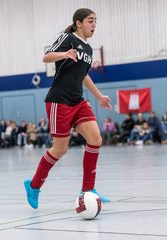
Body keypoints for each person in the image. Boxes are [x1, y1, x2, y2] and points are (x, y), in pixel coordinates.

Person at [24, 8, 112, 209]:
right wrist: (64, 53)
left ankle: (88, 190)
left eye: (96, 21)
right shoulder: (68, 38)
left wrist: (99, 96)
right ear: (78, 23)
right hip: (59, 100)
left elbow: (83, 75)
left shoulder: (88, 50)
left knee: (95, 139)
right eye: (91, 21)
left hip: (77, 100)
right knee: (60, 148)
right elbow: (46, 58)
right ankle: (34, 186)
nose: (94, 25)